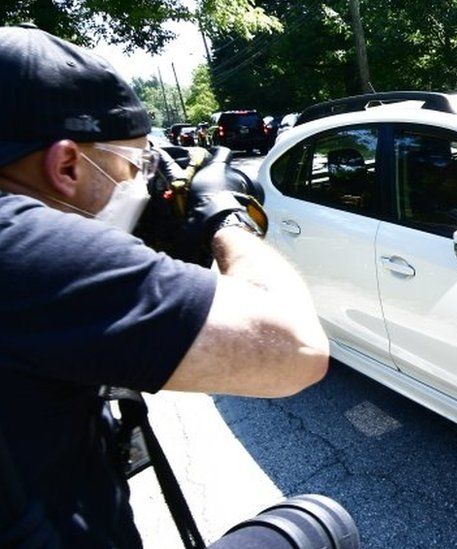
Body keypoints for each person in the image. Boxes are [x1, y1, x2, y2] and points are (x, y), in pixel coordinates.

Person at [0, 24, 329, 548]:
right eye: (133, 164)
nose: (140, 183)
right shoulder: (26, 246)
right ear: (66, 164)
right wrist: (225, 217)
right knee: (318, 523)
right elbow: (296, 351)